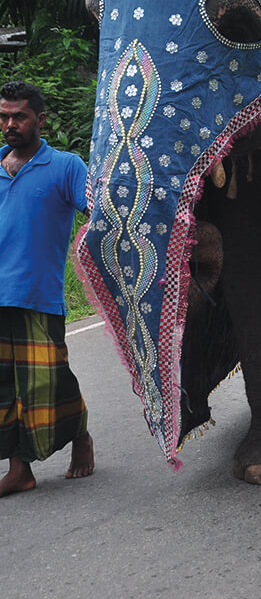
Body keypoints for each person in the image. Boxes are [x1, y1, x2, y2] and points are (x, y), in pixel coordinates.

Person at [1, 80, 95, 497]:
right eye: (4, 116)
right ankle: (19, 469)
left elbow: (96, 211)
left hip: (39, 293)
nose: (9, 124)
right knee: (4, 386)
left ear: (40, 119)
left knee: (49, 379)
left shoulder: (66, 166)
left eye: (19, 116)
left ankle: (80, 436)